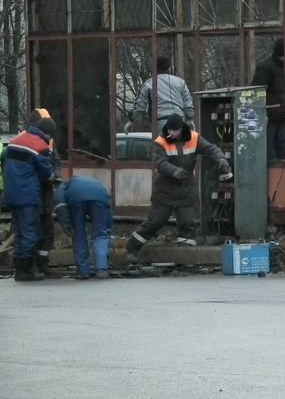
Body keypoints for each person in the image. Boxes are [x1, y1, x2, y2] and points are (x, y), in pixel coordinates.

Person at [126, 113, 232, 263]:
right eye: (169, 130)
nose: (171, 133)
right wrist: (174, 171)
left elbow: (210, 149)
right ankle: (132, 247)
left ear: (181, 129)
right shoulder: (161, 141)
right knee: (156, 220)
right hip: (164, 189)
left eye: (174, 130)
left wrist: (221, 158)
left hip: (185, 189)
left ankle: (185, 256)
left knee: (188, 222)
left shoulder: (194, 138)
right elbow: (161, 163)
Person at [1, 118, 55, 281]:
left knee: (19, 233)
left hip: (11, 194)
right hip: (28, 195)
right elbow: (46, 172)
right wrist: (54, 176)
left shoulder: (14, 141)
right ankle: (26, 270)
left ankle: (19, 268)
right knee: (31, 233)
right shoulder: (40, 145)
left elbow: (3, 161)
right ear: (47, 133)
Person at [27, 108, 63, 278]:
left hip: (45, 192)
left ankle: (43, 263)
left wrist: (56, 175)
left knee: (47, 230)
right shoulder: (26, 140)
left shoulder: (49, 141)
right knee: (31, 231)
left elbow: (56, 161)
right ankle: (30, 264)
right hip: (31, 193)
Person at [53, 176, 112, 280]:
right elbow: (107, 207)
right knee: (101, 235)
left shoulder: (63, 186)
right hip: (99, 198)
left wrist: (66, 223)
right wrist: (108, 227)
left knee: (79, 234)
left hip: (76, 200)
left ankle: (83, 271)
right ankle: (102, 269)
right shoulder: (98, 183)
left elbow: (60, 206)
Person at [125, 56, 194, 133]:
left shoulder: (149, 83)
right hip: (179, 121)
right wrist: (190, 119)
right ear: (169, 66)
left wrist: (131, 120)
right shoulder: (180, 82)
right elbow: (188, 103)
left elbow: (139, 105)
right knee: (178, 144)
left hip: (160, 121)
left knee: (162, 144)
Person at [251, 38, 285, 160]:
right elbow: (257, 91)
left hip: (283, 116)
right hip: (269, 117)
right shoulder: (266, 68)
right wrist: (265, 109)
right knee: (269, 149)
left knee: (283, 147)